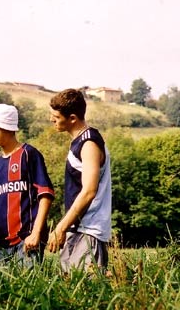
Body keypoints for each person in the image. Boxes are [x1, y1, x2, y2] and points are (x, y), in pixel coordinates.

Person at [0, 104, 54, 266]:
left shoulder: (29, 154)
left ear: (9, 128)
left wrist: (36, 233)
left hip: (26, 242)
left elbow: (45, 195)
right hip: (0, 246)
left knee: (28, 291)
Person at [47, 89, 112, 273]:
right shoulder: (80, 141)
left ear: (73, 118)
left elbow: (89, 191)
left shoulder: (89, 143)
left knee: (86, 294)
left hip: (88, 231)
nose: (52, 120)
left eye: (56, 117)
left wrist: (60, 227)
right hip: (78, 229)